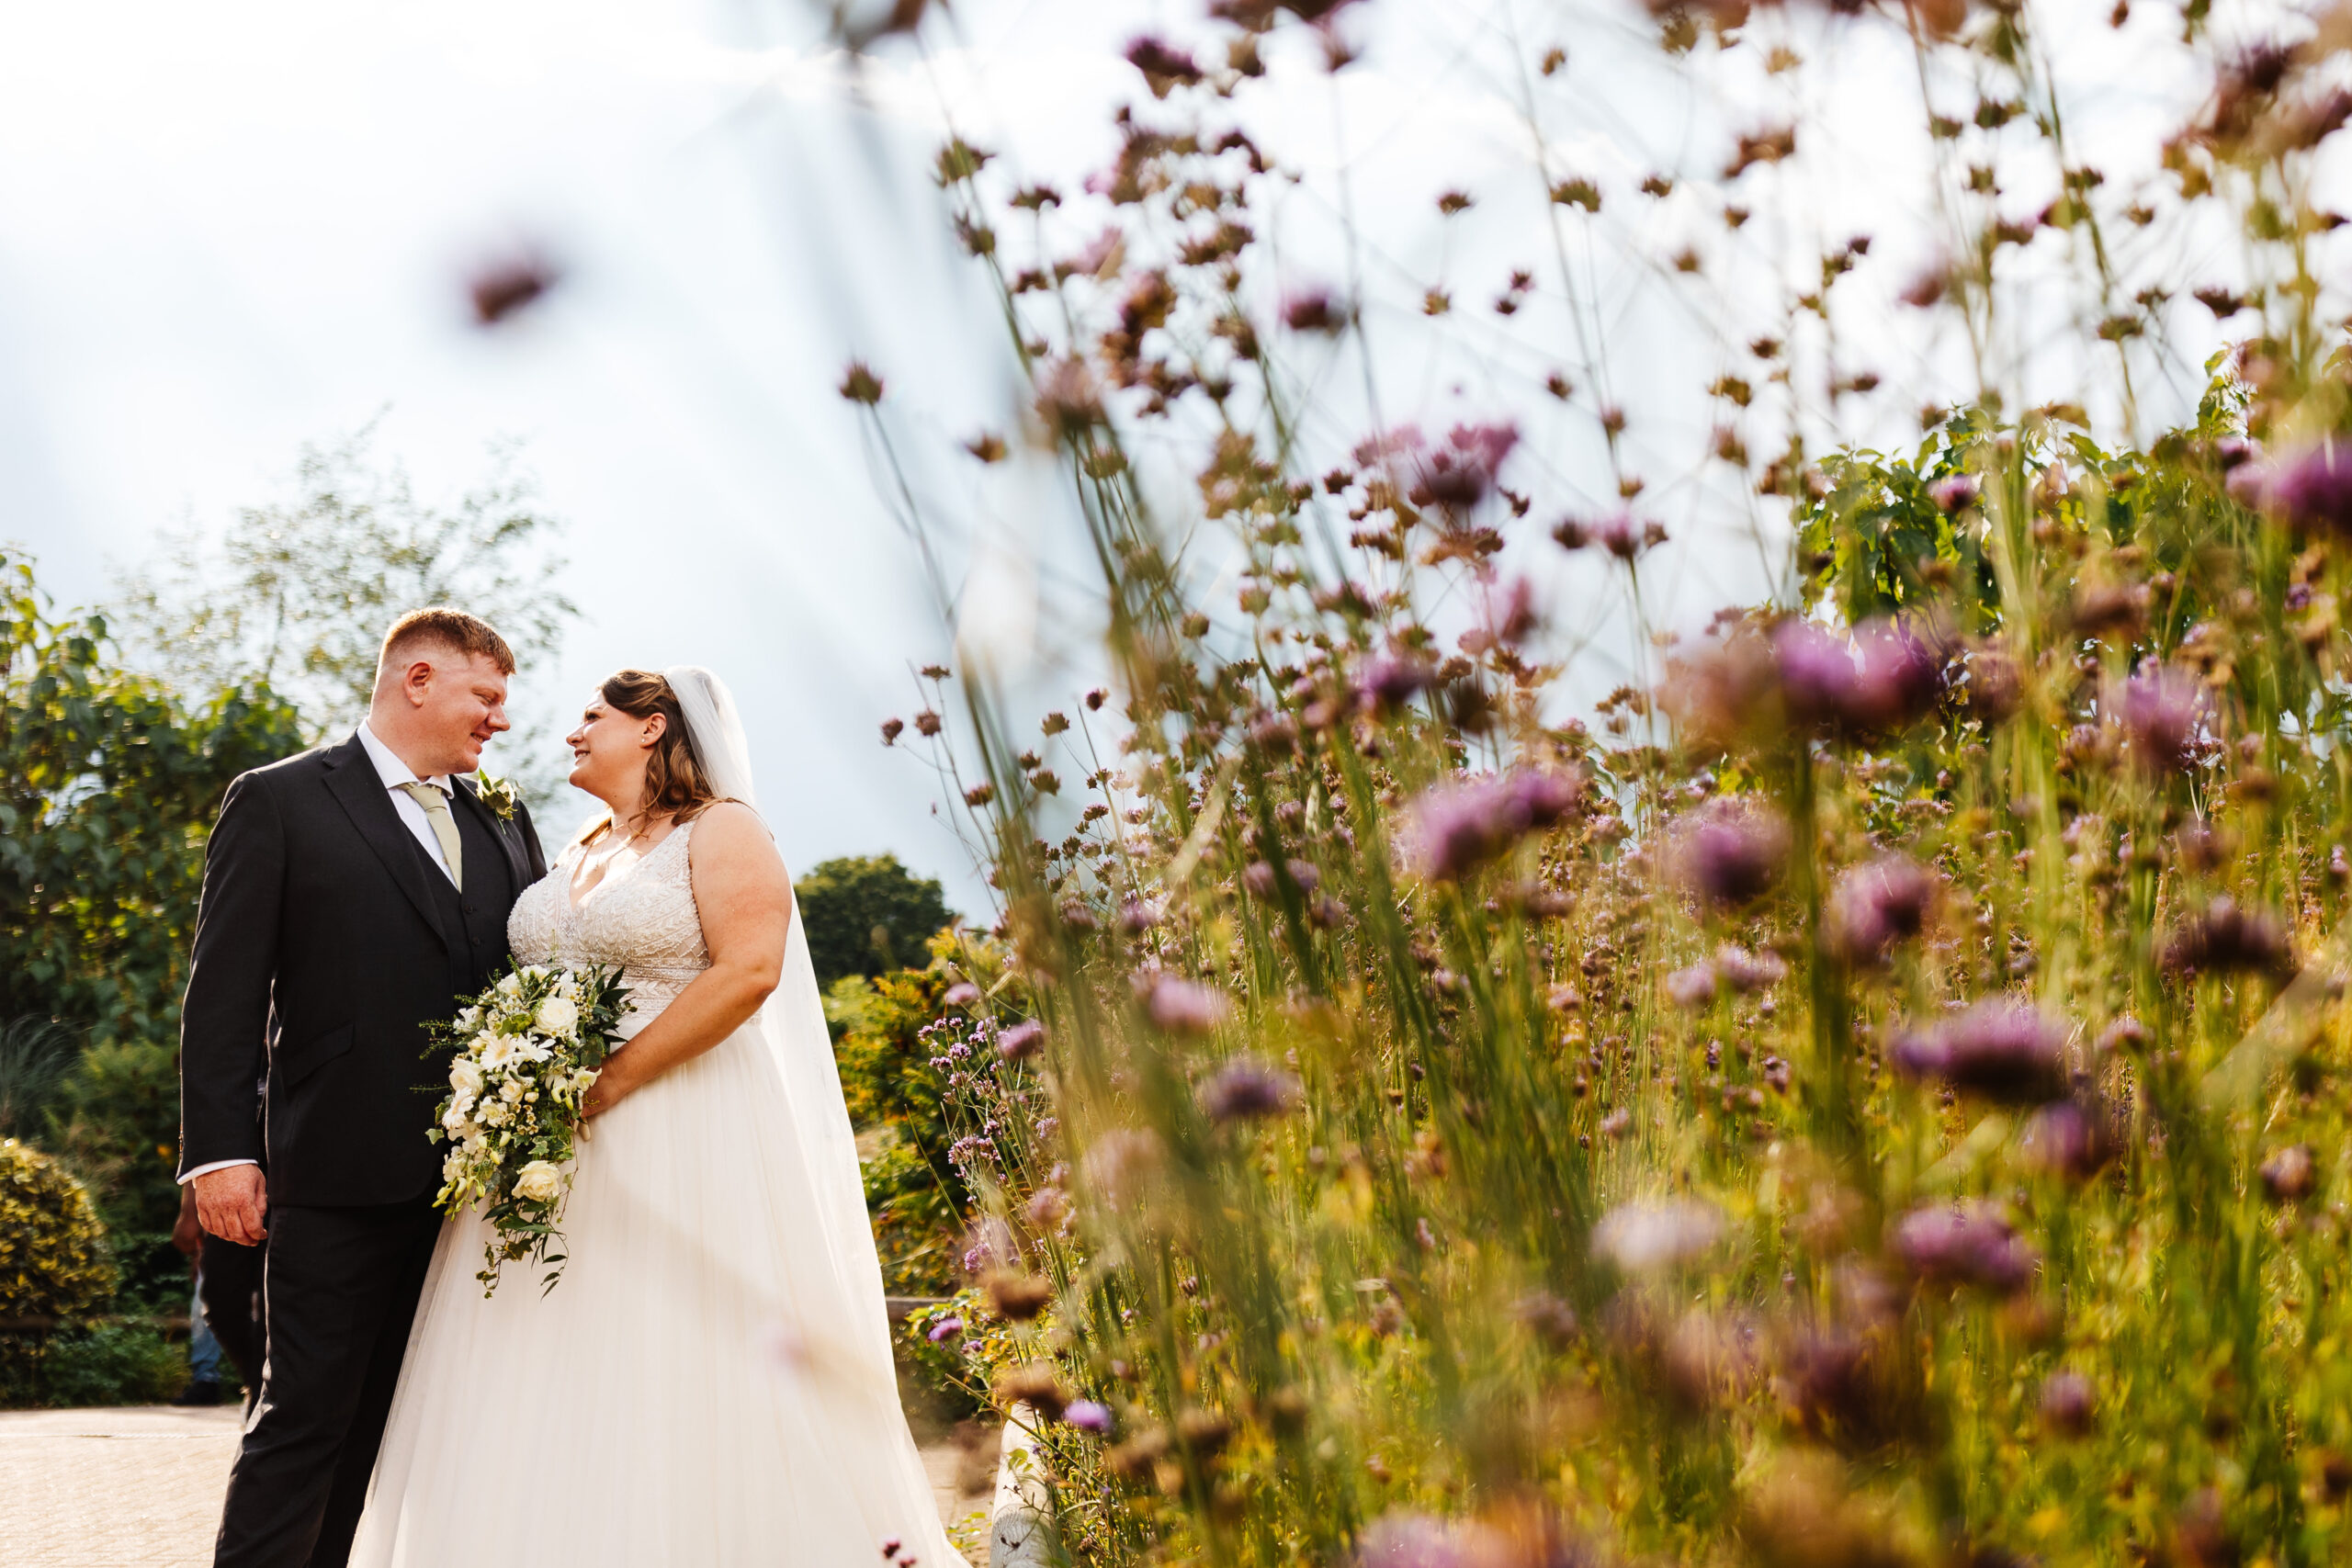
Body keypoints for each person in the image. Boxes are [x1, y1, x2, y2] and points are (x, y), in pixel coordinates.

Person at [349, 667, 964, 1567]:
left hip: (683, 1129)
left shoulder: (722, 831)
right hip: (549, 1151)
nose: (571, 732)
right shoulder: (582, 845)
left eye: (591, 716)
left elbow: (750, 971)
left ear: (652, 727)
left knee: (670, 1357)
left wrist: (609, 1080)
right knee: (542, 1365)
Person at [177, 608, 548, 1568]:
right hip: (335, 1173)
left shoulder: (502, 814)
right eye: (486, 697)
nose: (498, 722)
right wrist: (221, 1156)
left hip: (477, 1191)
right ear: (417, 680)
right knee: (303, 1419)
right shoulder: (281, 800)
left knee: (392, 1429)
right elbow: (222, 993)